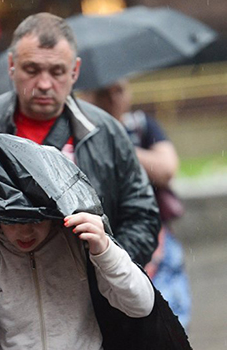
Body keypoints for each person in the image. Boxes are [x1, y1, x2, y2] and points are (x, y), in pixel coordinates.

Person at [0, 13, 160, 266]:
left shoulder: (106, 131)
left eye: (57, 71)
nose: (44, 84)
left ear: (75, 71)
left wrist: (107, 269)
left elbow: (142, 214)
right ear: (12, 65)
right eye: (32, 69)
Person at [0, 210, 155, 349]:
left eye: (35, 220)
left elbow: (141, 304)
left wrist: (105, 250)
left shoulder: (78, 245)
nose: (25, 232)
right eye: (12, 221)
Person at [81, 78, 191, 327]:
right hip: (106, 236)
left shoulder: (141, 126)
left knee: (168, 311)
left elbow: (166, 168)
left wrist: (118, 143)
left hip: (155, 234)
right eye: (103, 92)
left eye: (119, 90)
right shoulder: (79, 134)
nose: (113, 99)